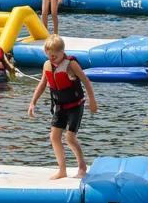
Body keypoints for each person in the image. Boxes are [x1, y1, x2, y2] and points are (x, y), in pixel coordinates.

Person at [29, 35, 98, 180]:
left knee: (70, 138)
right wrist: (33, 102)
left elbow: (86, 81)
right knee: (54, 137)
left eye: (55, 55)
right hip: (60, 107)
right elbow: (42, 84)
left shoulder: (71, 64)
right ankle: (62, 170)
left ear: (62, 52)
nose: (52, 58)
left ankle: (82, 167)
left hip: (75, 106)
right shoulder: (47, 65)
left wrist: (92, 100)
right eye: (49, 55)